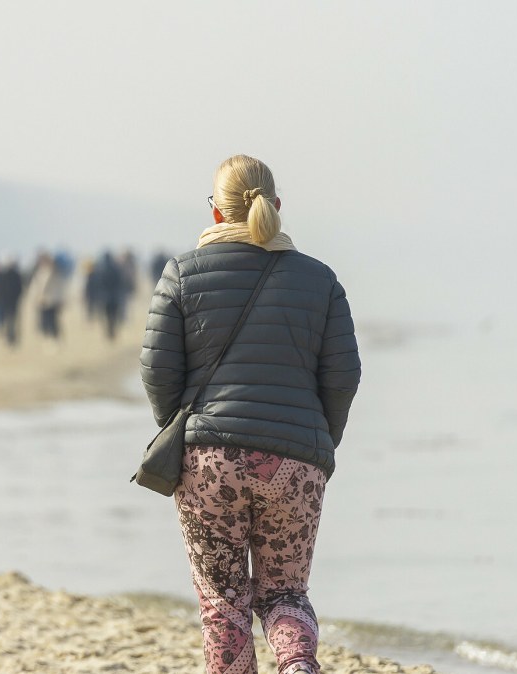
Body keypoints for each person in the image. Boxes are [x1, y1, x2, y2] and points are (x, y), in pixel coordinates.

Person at [139, 155, 361, 674]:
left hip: (208, 463)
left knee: (223, 601)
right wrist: (318, 440)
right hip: (296, 464)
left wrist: (181, 431)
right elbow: (344, 376)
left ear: (216, 213)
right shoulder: (321, 280)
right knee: (286, 593)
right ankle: (297, 667)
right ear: (276, 207)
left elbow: (156, 370)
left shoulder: (181, 273)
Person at [27, 253, 68, 341]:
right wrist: (34, 298)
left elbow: (60, 287)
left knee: (53, 321)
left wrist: (61, 299)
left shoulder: (56, 273)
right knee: (44, 321)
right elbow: (35, 287)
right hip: (42, 301)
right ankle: (47, 338)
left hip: (53, 301)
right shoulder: (39, 273)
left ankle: (55, 338)